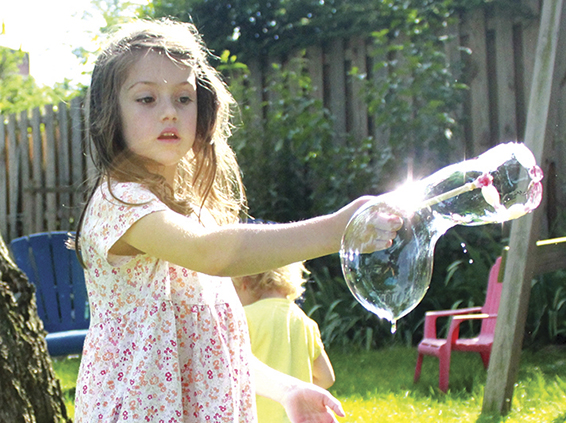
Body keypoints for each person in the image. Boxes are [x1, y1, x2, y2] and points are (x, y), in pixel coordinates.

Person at [73, 18, 401, 423]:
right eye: (146, 99)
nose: (169, 114)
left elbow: (214, 342)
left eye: (183, 98)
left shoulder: (194, 215)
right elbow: (210, 253)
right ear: (111, 112)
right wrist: (337, 230)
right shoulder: (120, 202)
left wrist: (288, 388)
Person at [233, 263, 335, 423]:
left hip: (256, 417)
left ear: (243, 283)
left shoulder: (243, 319)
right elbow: (326, 378)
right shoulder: (305, 322)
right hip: (297, 416)